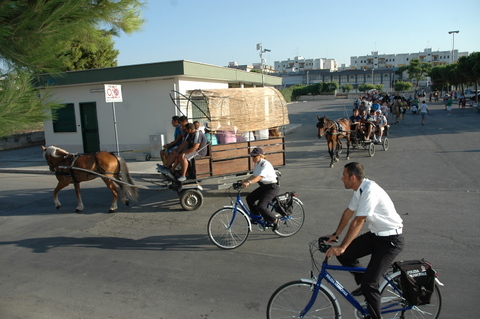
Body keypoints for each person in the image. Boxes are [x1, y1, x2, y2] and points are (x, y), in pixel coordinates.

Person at [325, 162, 404, 319]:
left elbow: (358, 221)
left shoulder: (369, 191)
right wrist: (336, 235)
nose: (342, 178)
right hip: (377, 235)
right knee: (345, 255)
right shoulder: (359, 189)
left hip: (390, 240)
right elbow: (349, 212)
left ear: (353, 177)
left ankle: (374, 311)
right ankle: (363, 283)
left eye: (344, 176)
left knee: (370, 284)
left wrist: (342, 246)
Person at [241, 147, 279, 230]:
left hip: (272, 187)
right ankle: (256, 218)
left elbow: (259, 177)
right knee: (249, 198)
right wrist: (242, 181)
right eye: (252, 156)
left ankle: (274, 220)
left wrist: (249, 182)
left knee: (261, 206)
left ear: (261, 156)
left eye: (254, 156)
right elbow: (254, 175)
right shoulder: (257, 164)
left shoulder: (265, 164)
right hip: (264, 186)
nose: (252, 158)